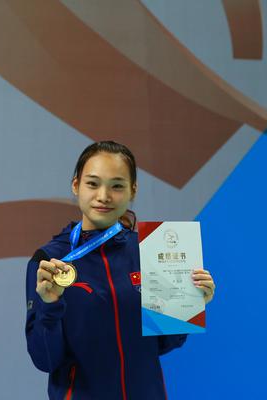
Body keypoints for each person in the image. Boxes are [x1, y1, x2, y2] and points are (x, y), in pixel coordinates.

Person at [25, 141, 215, 399]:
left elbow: (163, 344)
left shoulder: (149, 250)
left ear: (132, 190)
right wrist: (49, 305)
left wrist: (189, 304)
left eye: (117, 186)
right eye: (93, 184)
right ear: (76, 185)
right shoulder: (50, 261)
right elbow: (44, 359)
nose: (104, 196)